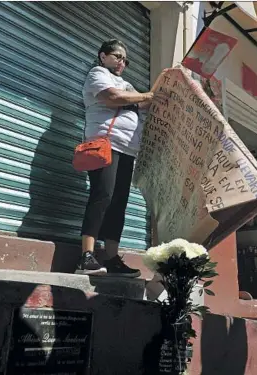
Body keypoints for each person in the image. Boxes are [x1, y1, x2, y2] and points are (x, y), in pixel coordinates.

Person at [76, 39, 167, 277]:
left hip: (127, 151)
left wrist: (164, 93)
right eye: (117, 57)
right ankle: (86, 256)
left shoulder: (126, 84)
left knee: (118, 204)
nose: (122, 63)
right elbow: (112, 97)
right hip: (105, 145)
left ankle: (111, 257)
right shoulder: (97, 74)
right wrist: (147, 95)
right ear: (102, 56)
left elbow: (147, 103)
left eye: (125, 60)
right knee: (102, 196)